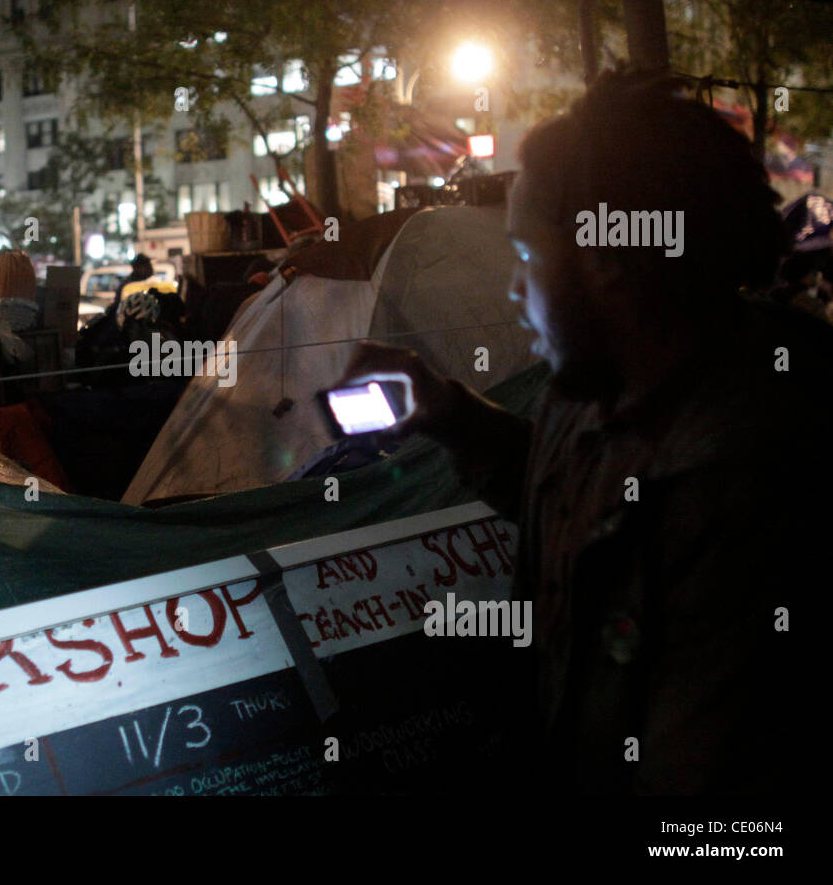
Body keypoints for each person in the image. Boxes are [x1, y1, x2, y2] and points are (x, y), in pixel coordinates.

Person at [337, 72, 822, 795]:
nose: (512, 289)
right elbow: (578, 499)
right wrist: (449, 413)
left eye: (527, 258)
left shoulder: (759, 471)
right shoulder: (593, 382)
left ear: (611, 263)